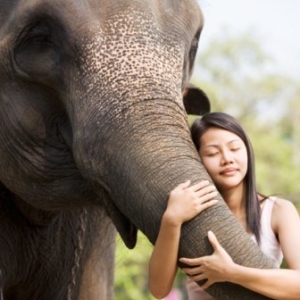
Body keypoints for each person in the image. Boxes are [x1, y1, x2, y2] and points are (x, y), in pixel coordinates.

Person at [148, 112, 300, 300]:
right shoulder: (186, 213)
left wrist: (231, 272)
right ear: (196, 161)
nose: (227, 158)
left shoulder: (278, 211)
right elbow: (158, 289)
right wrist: (171, 219)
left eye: (235, 148)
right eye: (213, 153)